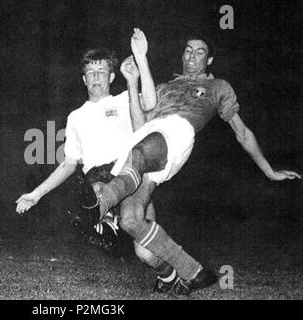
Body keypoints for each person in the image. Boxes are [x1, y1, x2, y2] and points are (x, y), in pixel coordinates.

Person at [94, 30, 301, 295]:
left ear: (210, 59)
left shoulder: (219, 87)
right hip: (146, 143)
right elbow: (139, 127)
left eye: (200, 51)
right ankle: (193, 272)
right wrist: (133, 80)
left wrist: (269, 170)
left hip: (178, 133)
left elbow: (243, 133)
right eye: (188, 50)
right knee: (131, 221)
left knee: (136, 160)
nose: (192, 55)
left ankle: (100, 204)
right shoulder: (164, 87)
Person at [16, 33, 205, 295]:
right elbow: (68, 164)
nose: (96, 77)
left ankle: (170, 275)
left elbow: (150, 105)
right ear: (83, 79)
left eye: (102, 71)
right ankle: (103, 218)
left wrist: (137, 70)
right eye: (90, 72)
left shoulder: (123, 100)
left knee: (145, 252)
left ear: (111, 77)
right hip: (98, 178)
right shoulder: (75, 117)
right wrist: (36, 194)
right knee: (96, 190)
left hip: (132, 173)